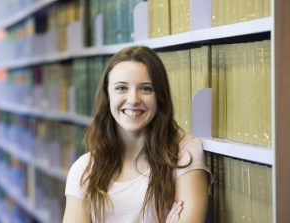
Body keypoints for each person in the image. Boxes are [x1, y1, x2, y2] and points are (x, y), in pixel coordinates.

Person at [63, 46, 211, 223]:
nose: (133, 99)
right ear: (107, 95)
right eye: (121, 88)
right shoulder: (84, 170)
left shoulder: (184, 153)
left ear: (159, 96)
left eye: (146, 89)